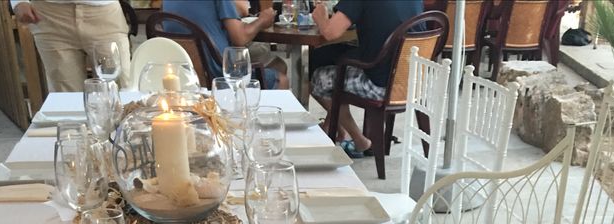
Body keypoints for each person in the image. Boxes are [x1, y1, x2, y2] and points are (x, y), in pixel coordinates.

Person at [311, 0, 422, 157]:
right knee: (327, 58)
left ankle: (359, 139)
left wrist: (320, 16)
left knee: (318, 78)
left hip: (379, 86)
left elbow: (330, 32)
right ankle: (334, 129)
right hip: (411, 81)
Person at [162, 0, 288, 89]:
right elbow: (240, 38)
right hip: (218, 73)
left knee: (277, 65)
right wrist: (262, 20)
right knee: (281, 78)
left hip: (182, 73)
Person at [12, 0, 131, 92]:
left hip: (105, 13)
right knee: (67, 98)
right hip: (49, 15)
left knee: (121, 91)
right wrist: (18, 2)